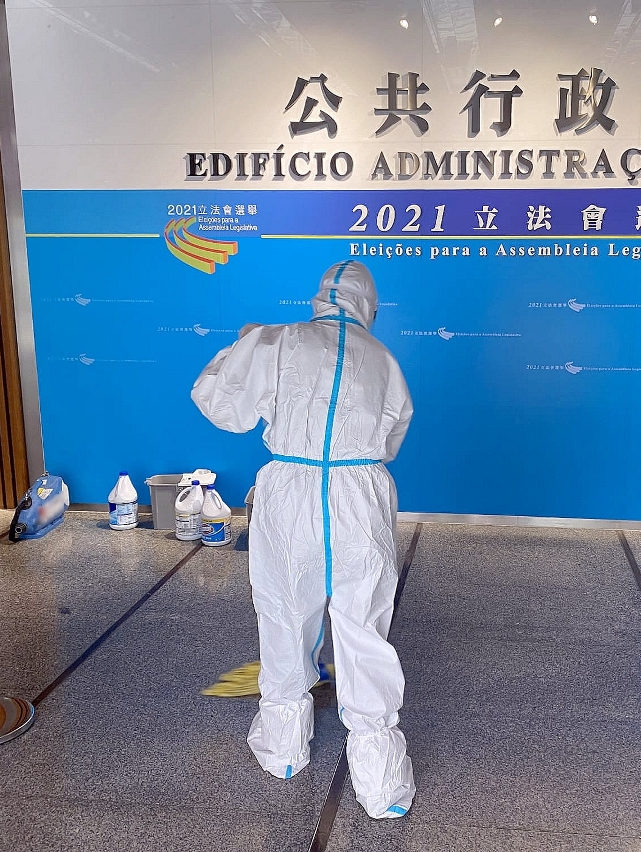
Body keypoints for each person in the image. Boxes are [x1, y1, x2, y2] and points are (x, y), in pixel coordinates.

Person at [191, 260, 415, 819]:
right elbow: (391, 438)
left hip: (291, 490)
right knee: (364, 625)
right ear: (369, 305)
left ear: (320, 298)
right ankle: (381, 781)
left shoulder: (278, 341)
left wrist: (241, 347)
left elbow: (220, 404)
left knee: (285, 611)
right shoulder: (384, 360)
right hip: (359, 493)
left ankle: (284, 746)